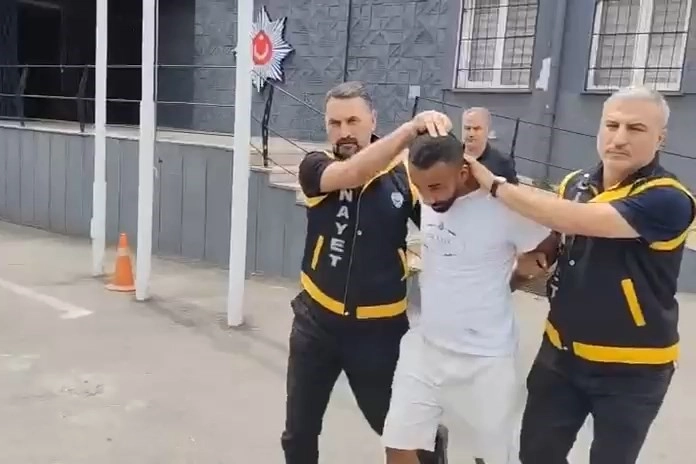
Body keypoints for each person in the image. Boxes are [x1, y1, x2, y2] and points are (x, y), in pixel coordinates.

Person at [462, 86, 696, 464]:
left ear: (661, 138)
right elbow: (557, 236)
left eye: (636, 128)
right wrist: (532, 261)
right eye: (612, 125)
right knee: (536, 454)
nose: (619, 138)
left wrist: (493, 184)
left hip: (633, 369)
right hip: (560, 355)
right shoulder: (575, 183)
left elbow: (576, 219)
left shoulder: (668, 198)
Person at [281, 81, 450, 464]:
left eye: (353, 121)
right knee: (299, 433)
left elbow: (442, 225)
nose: (344, 132)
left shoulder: (406, 175)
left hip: (380, 331)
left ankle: (434, 448)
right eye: (335, 123)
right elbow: (355, 173)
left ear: (372, 120)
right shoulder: (315, 165)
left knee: (401, 429)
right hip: (315, 323)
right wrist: (409, 131)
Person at [381, 133, 550, 464]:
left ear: (462, 172)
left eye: (436, 187)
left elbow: (548, 240)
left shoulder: (502, 207)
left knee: (491, 456)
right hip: (427, 347)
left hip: (486, 357)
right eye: (420, 188)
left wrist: (521, 273)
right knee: (398, 444)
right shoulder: (431, 196)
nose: (428, 199)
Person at [462, 107, 518, 184]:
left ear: (488, 130)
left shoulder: (502, 163)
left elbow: (512, 190)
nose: (471, 134)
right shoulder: (451, 155)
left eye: (476, 129)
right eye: (467, 128)